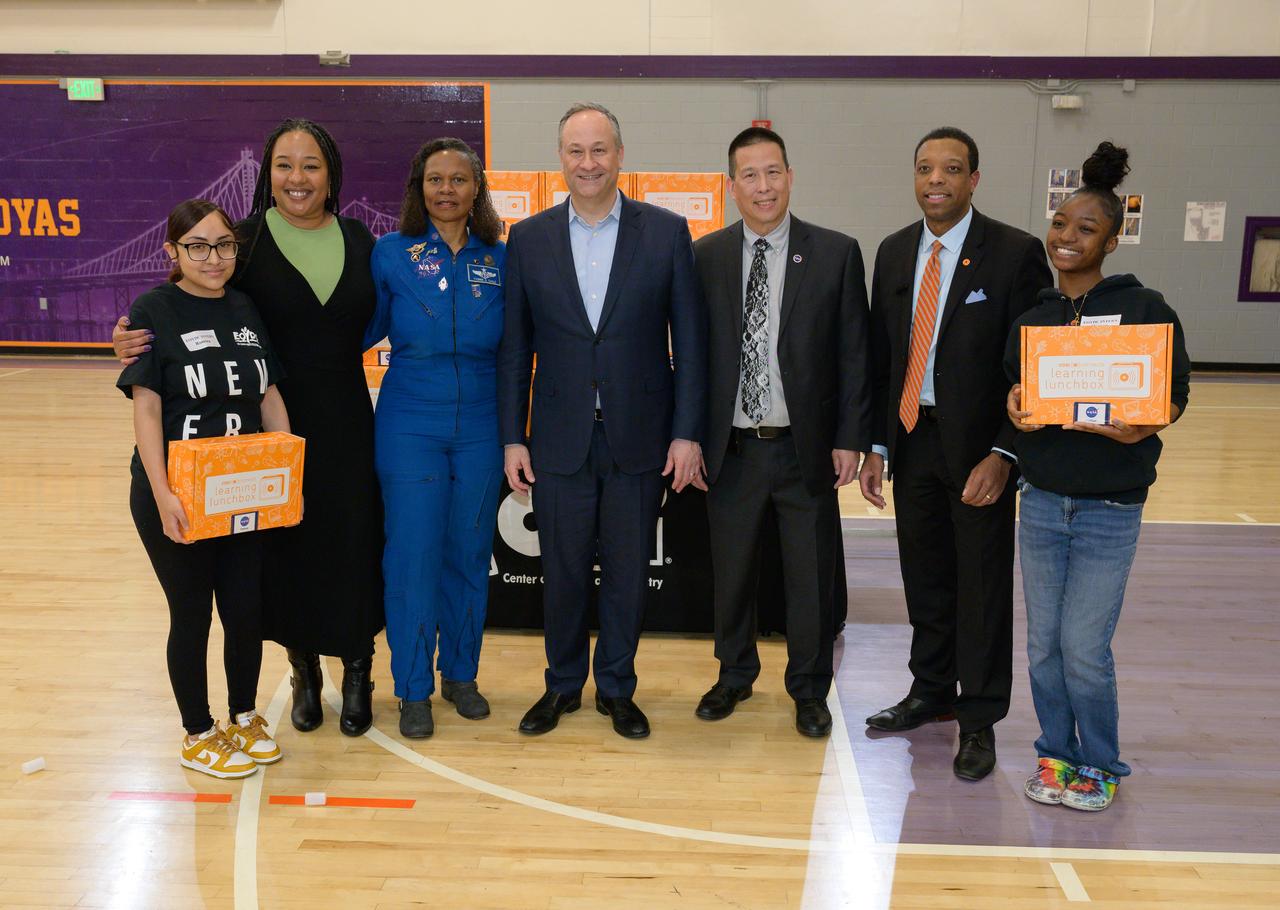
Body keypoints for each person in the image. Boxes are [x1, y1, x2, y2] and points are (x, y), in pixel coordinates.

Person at [115, 119, 385, 737]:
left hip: (342, 417)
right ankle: (304, 673)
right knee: (282, 556)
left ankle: (360, 669)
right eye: (284, 164)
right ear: (267, 173)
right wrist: (126, 336)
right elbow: (183, 300)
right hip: (260, 435)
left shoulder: (360, 238)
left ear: (331, 173)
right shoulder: (248, 241)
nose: (297, 177)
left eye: (311, 164)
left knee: (350, 543)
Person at [497, 102, 707, 739]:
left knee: (625, 573)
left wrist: (687, 430)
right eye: (575, 151)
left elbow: (691, 343)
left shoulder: (667, 233)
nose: (587, 163)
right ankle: (562, 685)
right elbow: (515, 348)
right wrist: (513, 434)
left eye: (599, 150)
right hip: (557, 440)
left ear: (620, 156)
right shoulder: (527, 238)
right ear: (560, 158)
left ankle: (617, 687)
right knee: (559, 573)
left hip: (639, 438)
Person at [859, 126, 1053, 781]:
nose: (936, 179)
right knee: (927, 579)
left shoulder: (1015, 254)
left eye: (951, 169)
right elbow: (884, 357)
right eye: (924, 168)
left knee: (981, 587)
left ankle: (980, 719)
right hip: (913, 441)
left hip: (978, 452)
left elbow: (1031, 365)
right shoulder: (891, 253)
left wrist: (1005, 452)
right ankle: (932, 691)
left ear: (975, 180)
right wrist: (878, 444)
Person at [1006, 141, 1190, 811]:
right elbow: (1016, 390)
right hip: (1044, 504)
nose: (1067, 238)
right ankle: (1056, 755)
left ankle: (1101, 763)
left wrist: (1146, 423)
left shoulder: (1147, 310)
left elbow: (1174, 396)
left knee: (1084, 648)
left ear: (1112, 240)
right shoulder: (1036, 317)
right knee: (1043, 648)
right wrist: (1018, 408)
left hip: (1110, 508)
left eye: (1086, 229)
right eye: (1060, 225)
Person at [692, 127, 871, 737]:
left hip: (805, 449)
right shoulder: (706, 256)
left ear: (790, 177)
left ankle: (808, 688)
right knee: (732, 572)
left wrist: (851, 436)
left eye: (773, 173)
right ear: (732, 185)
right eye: (750, 175)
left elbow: (854, 353)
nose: (763, 187)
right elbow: (694, 358)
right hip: (733, 448)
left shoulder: (835, 252)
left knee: (809, 576)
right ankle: (734, 674)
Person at [118, 198, 289, 778]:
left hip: (241, 489)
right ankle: (197, 732)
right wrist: (164, 493)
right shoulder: (153, 309)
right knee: (191, 612)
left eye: (223, 245)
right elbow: (147, 409)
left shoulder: (245, 306)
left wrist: (283, 466)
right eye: (197, 246)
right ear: (172, 252)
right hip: (179, 493)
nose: (212, 258)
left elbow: (267, 393)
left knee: (244, 608)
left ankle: (243, 716)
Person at [365, 138, 506, 738]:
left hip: (481, 422)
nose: (446, 190)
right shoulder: (390, 254)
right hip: (409, 423)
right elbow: (354, 328)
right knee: (413, 556)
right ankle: (413, 688)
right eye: (434, 180)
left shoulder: (501, 258)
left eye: (459, 179)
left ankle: (462, 675)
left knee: (470, 554)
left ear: (477, 189)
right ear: (418, 189)